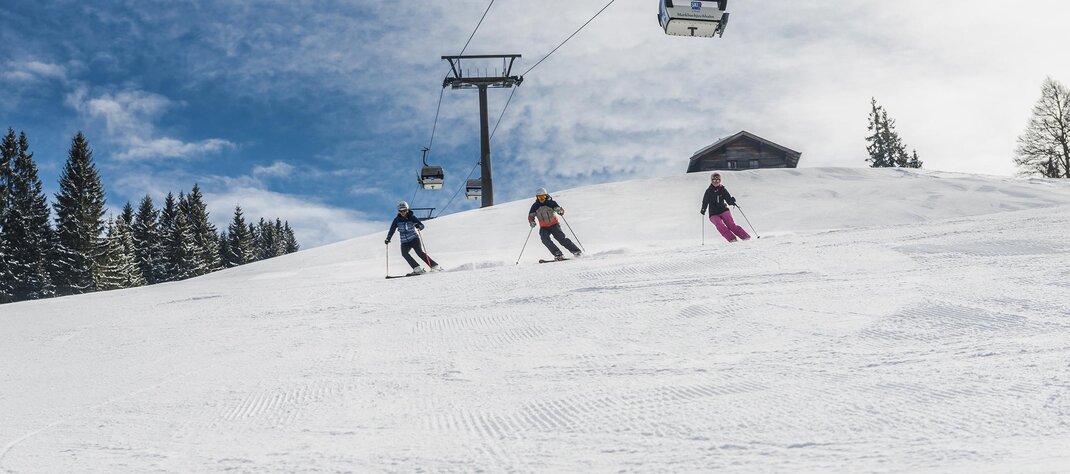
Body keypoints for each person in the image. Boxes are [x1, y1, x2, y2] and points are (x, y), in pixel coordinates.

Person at [385, 201, 440, 275]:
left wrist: (418, 226)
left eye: (404, 210)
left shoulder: (412, 217)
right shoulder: (396, 220)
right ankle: (417, 269)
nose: (402, 212)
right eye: (400, 210)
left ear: (407, 210)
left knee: (419, 252)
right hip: (404, 242)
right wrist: (388, 238)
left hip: (414, 239)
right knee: (404, 254)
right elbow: (392, 230)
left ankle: (434, 266)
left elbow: (422, 225)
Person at [528, 187, 582, 260]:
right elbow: (531, 216)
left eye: (543, 196)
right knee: (544, 239)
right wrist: (532, 221)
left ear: (546, 196)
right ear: (537, 197)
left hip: (554, 225)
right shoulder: (535, 206)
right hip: (544, 227)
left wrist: (559, 210)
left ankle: (576, 251)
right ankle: (558, 254)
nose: (541, 199)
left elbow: (560, 210)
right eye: (539, 197)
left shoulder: (551, 203)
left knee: (561, 239)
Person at [700, 172, 751, 242]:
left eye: (718, 180)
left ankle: (745, 237)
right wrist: (703, 209)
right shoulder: (708, 191)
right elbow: (705, 201)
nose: (716, 182)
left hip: (723, 210)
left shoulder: (722, 189)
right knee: (719, 225)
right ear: (711, 181)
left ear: (720, 181)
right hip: (713, 213)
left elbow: (728, 199)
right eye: (714, 180)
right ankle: (732, 239)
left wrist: (732, 201)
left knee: (731, 225)